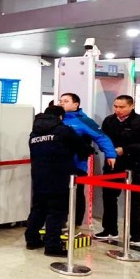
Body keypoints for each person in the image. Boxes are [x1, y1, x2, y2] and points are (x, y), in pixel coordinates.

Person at [25, 106, 94, 257]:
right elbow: (82, 149)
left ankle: (32, 240)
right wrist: (89, 149)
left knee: (38, 209)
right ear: (61, 117)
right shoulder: (64, 131)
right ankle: (52, 246)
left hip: (39, 177)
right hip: (60, 176)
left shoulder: (34, 133)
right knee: (57, 212)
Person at [95, 95, 140, 244]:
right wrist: (109, 151)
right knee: (109, 197)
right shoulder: (109, 121)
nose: (118, 110)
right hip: (112, 165)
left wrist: (126, 149)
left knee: (134, 200)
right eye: (116, 106)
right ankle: (109, 229)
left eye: (122, 107)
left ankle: (136, 233)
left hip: (134, 165)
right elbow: (103, 139)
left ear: (131, 106)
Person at [58, 93, 116, 227]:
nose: (62, 103)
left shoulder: (84, 121)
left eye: (65, 101)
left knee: (77, 194)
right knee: (59, 195)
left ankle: (76, 224)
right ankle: (59, 223)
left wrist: (110, 154)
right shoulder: (56, 119)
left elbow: (101, 137)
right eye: (60, 101)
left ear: (75, 104)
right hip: (58, 165)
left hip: (77, 165)